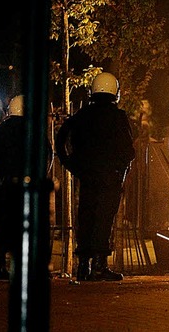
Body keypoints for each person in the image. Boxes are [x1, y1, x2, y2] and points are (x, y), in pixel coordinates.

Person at [56, 72, 135, 282]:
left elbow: (62, 136)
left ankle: (83, 265)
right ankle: (100, 264)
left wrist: (71, 163)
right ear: (115, 93)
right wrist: (121, 167)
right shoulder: (118, 117)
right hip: (110, 176)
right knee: (104, 219)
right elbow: (129, 149)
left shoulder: (82, 115)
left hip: (88, 175)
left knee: (87, 216)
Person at [0, 95, 29, 280]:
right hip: (26, 186)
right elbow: (46, 156)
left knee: (3, 224)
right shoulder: (34, 131)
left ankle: (0, 261)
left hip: (3, 185)